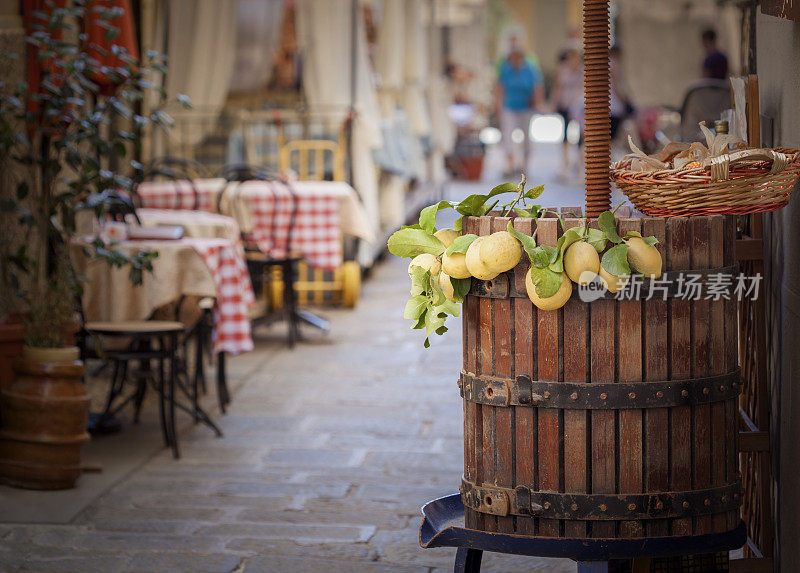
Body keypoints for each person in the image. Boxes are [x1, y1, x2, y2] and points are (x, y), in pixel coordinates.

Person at [494, 38, 545, 175]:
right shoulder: (506, 69)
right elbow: (500, 86)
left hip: (526, 107)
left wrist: (538, 102)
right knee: (508, 136)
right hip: (509, 106)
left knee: (526, 138)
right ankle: (510, 166)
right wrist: (497, 103)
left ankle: (524, 166)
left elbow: (537, 86)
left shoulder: (529, 69)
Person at [550, 47, 583, 173]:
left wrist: (575, 99)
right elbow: (557, 87)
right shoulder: (562, 70)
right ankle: (565, 164)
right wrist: (554, 102)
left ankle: (579, 163)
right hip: (564, 105)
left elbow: (583, 88)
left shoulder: (582, 71)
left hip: (578, 106)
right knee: (565, 134)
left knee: (580, 134)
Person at [609, 45, 633, 141]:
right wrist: (625, 101)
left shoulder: (609, 64)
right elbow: (616, 87)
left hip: (611, 105)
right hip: (614, 106)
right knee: (611, 137)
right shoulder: (613, 64)